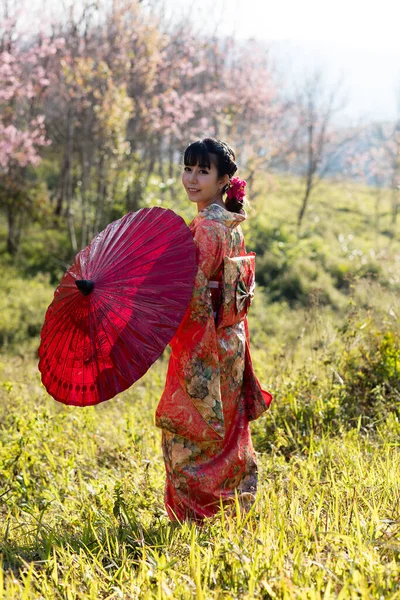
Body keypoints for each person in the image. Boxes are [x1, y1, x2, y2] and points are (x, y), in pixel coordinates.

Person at [155, 137, 273, 523]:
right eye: (187, 169)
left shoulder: (207, 226)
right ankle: (231, 506)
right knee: (224, 429)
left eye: (202, 171)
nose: (192, 178)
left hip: (205, 342)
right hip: (232, 340)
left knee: (192, 430)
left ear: (224, 179)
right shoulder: (230, 223)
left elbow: (191, 293)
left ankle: (199, 513)